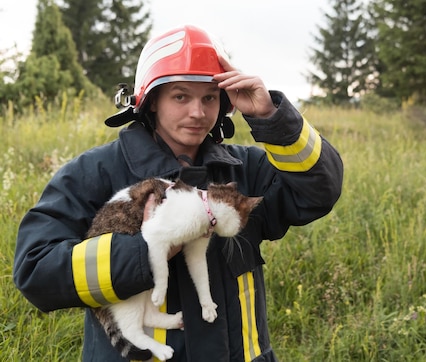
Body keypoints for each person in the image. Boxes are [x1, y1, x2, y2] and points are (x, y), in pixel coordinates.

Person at [13, 24, 343, 361]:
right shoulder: (95, 173)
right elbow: (36, 270)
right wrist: (146, 251)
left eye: (210, 98)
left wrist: (271, 118)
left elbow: (320, 192)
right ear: (151, 101)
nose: (198, 113)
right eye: (181, 96)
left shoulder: (245, 170)